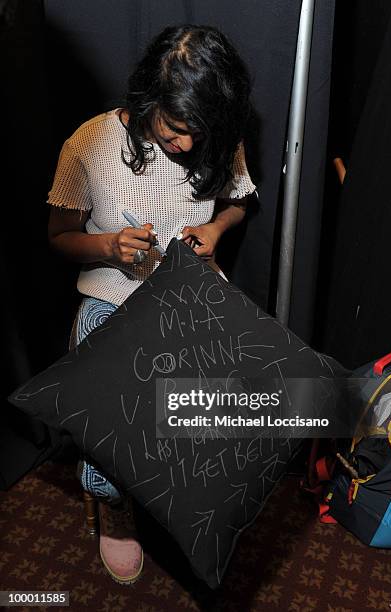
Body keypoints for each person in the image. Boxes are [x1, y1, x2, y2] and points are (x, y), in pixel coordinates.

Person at [47, 24, 256, 585]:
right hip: (113, 297)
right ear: (147, 101)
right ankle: (114, 508)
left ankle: (179, 501)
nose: (186, 145)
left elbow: (238, 203)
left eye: (198, 132)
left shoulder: (217, 134)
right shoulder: (89, 142)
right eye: (175, 129)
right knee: (115, 414)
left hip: (189, 294)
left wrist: (216, 227)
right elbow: (59, 236)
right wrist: (109, 247)